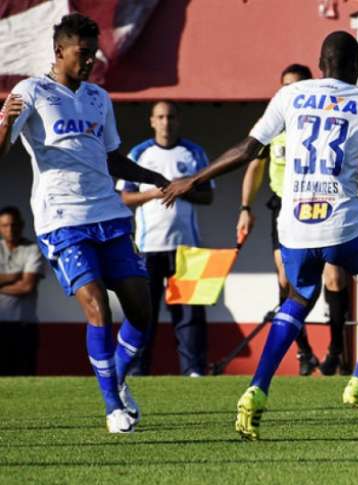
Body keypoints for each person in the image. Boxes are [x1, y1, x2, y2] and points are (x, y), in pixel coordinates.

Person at [162, 31, 358, 441]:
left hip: (293, 225)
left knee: (297, 298)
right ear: (356, 67)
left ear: (320, 62)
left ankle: (256, 390)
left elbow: (247, 150)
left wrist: (196, 178)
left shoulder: (290, 95)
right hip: (342, 221)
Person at [0, 13, 169, 433]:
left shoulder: (98, 98)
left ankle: (117, 377)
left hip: (109, 216)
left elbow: (110, 156)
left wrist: (156, 177)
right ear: (59, 51)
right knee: (96, 307)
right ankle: (114, 408)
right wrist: (4, 122)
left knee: (141, 310)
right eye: (82, 53)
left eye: (93, 53)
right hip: (61, 219)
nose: (91, 60)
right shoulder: (31, 91)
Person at [239, 64, 351, 376]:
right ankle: (303, 351)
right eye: (285, 85)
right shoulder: (273, 123)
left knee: (334, 278)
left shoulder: (323, 122)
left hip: (321, 202)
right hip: (284, 207)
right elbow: (253, 166)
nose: (291, 91)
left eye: (297, 85)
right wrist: (245, 208)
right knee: (287, 280)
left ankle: (337, 348)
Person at [116, 100, 214, 377]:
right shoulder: (139, 153)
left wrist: (182, 190)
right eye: (160, 117)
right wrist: (155, 193)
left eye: (171, 117)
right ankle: (137, 369)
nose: (166, 122)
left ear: (178, 120)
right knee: (143, 311)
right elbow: (123, 197)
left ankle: (193, 370)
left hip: (189, 246)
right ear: (152, 121)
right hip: (147, 247)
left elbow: (209, 195)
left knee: (190, 313)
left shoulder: (194, 153)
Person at [0, 206, 44, 375]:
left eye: (13, 225)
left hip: (24, 325)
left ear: (22, 225)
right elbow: (21, 282)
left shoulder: (33, 249)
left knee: (25, 376)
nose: (10, 229)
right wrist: (14, 277)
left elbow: (27, 286)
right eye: (5, 225)